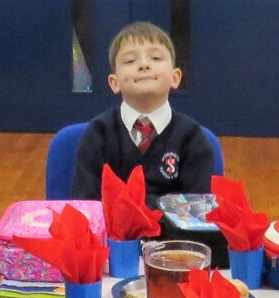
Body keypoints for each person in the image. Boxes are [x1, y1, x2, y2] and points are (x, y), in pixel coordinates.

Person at [70, 21, 215, 205]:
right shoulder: (98, 134)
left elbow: (196, 210)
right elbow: (86, 206)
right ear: (114, 83)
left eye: (155, 58)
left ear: (175, 78)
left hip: (174, 234)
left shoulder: (192, 138)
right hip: (110, 233)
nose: (144, 65)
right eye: (130, 61)